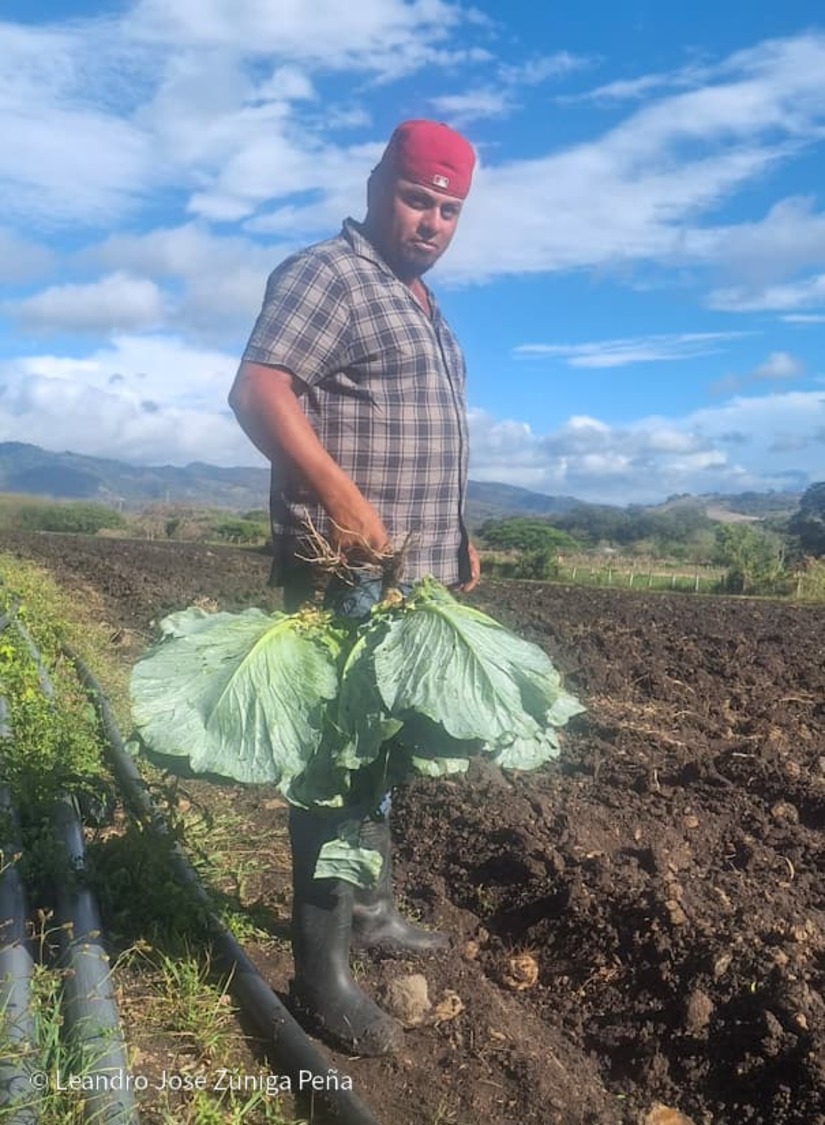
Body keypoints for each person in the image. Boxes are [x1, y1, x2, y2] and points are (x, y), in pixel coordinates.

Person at [229, 119, 479, 1056]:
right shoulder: (326, 274)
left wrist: (456, 538)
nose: (430, 220)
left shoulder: (419, 301)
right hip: (340, 575)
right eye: (418, 198)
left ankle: (371, 912)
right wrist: (337, 494)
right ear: (378, 184)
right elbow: (258, 391)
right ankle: (320, 974)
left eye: (448, 209)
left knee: (379, 756)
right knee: (332, 769)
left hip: (409, 579)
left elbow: (422, 432)